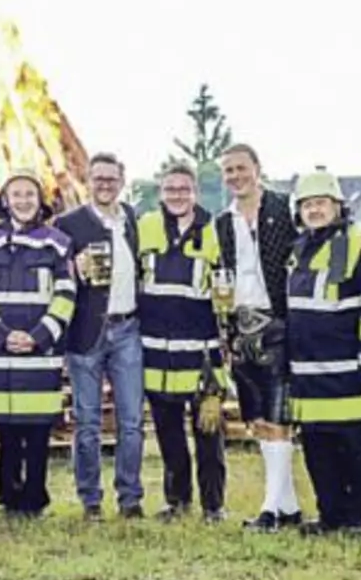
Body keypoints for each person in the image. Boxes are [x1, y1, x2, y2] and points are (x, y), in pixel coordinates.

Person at [284, 171, 361, 537]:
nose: (314, 210)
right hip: (309, 374)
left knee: (357, 449)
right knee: (318, 450)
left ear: (337, 206)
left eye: (321, 203)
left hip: (351, 373)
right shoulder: (301, 247)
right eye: (307, 204)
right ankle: (331, 516)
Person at [0, 168, 76, 518]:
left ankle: (35, 498)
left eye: (30, 194)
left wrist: (40, 335)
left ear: (40, 200)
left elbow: (66, 292)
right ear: (5, 201)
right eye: (17, 194)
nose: (23, 200)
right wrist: (0, 333)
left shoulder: (57, 243)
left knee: (40, 427)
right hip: (0, 351)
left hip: (41, 351)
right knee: (8, 426)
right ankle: (9, 497)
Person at [214, 144, 304, 531]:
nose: (235, 176)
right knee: (259, 419)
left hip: (280, 322)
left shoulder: (285, 208)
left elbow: (327, 229)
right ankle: (290, 508)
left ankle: (269, 510)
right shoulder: (222, 223)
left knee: (279, 417)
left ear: (257, 169)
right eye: (228, 171)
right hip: (241, 325)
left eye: (241, 168)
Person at [54, 152, 145, 520]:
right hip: (86, 331)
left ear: (122, 181)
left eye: (111, 178)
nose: (105, 184)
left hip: (128, 329)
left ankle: (130, 498)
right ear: (87, 181)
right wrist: (69, 267)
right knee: (87, 422)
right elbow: (53, 274)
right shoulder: (68, 223)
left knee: (132, 421)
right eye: (98, 178)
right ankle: (90, 498)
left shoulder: (136, 221)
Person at [136, 163, 228, 523]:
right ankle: (177, 500)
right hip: (156, 350)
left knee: (208, 431)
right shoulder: (144, 227)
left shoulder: (215, 230)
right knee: (168, 432)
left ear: (195, 193)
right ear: (161, 192)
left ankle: (213, 506)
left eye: (183, 189)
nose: (177, 195)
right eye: (170, 189)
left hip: (201, 351)